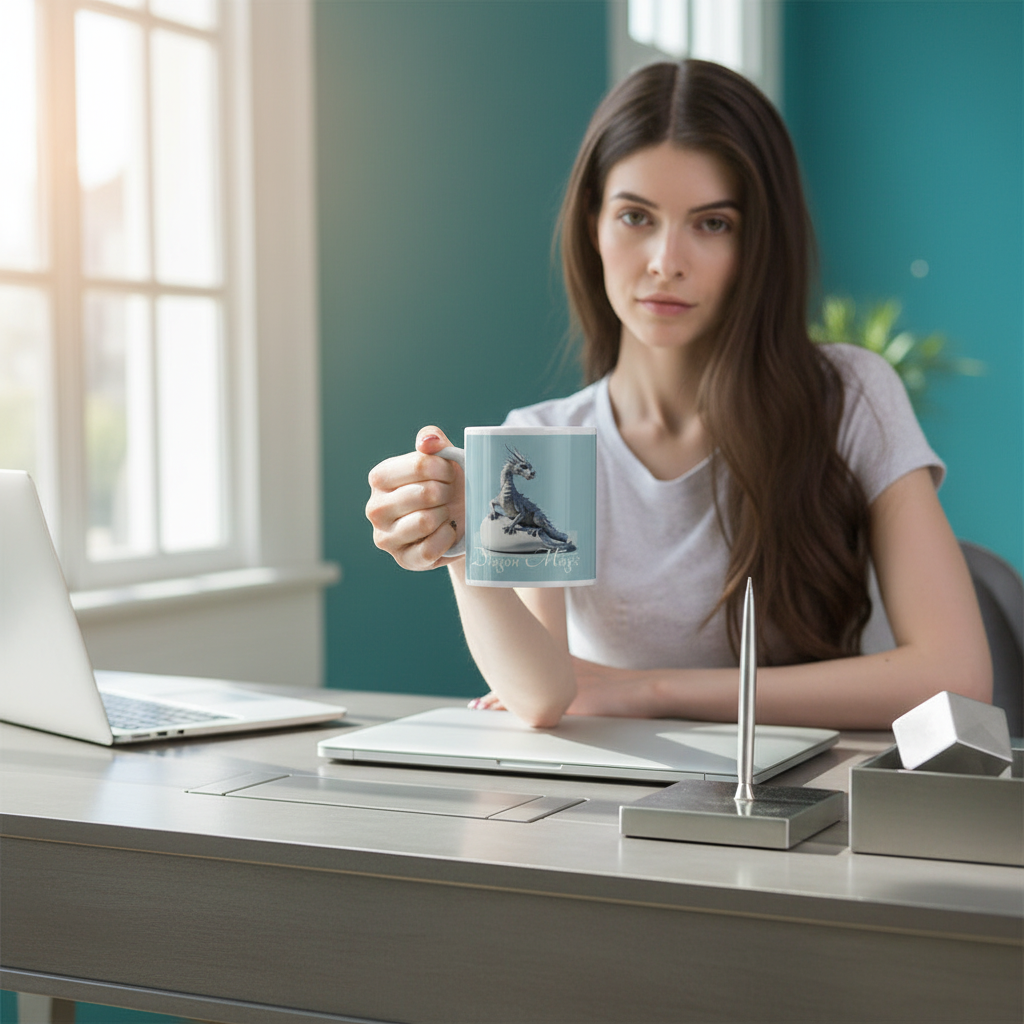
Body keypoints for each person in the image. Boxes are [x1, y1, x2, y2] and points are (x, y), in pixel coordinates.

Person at [365, 60, 991, 731]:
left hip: (816, 797)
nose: (667, 260)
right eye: (636, 216)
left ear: (759, 243)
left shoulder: (849, 396)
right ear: (592, 226)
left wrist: (649, 690)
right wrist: (460, 549)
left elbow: (955, 676)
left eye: (712, 223)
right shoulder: (544, 442)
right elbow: (543, 697)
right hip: (615, 812)